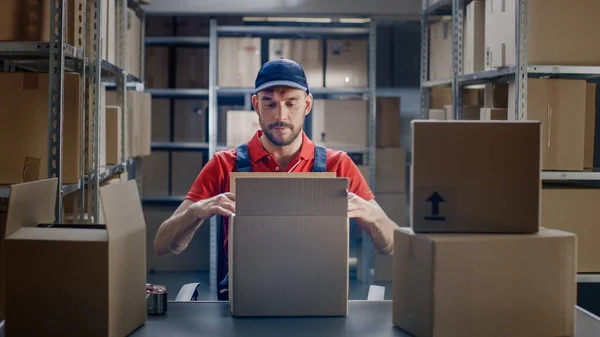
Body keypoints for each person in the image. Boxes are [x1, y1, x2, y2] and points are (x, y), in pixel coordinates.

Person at [153, 58, 399, 297]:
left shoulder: (337, 165)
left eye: (291, 103)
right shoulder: (224, 164)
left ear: (307, 104)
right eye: (270, 104)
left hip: (319, 301)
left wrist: (371, 214)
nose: (281, 116)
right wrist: (195, 211)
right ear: (256, 104)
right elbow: (163, 244)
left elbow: (392, 245)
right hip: (246, 300)